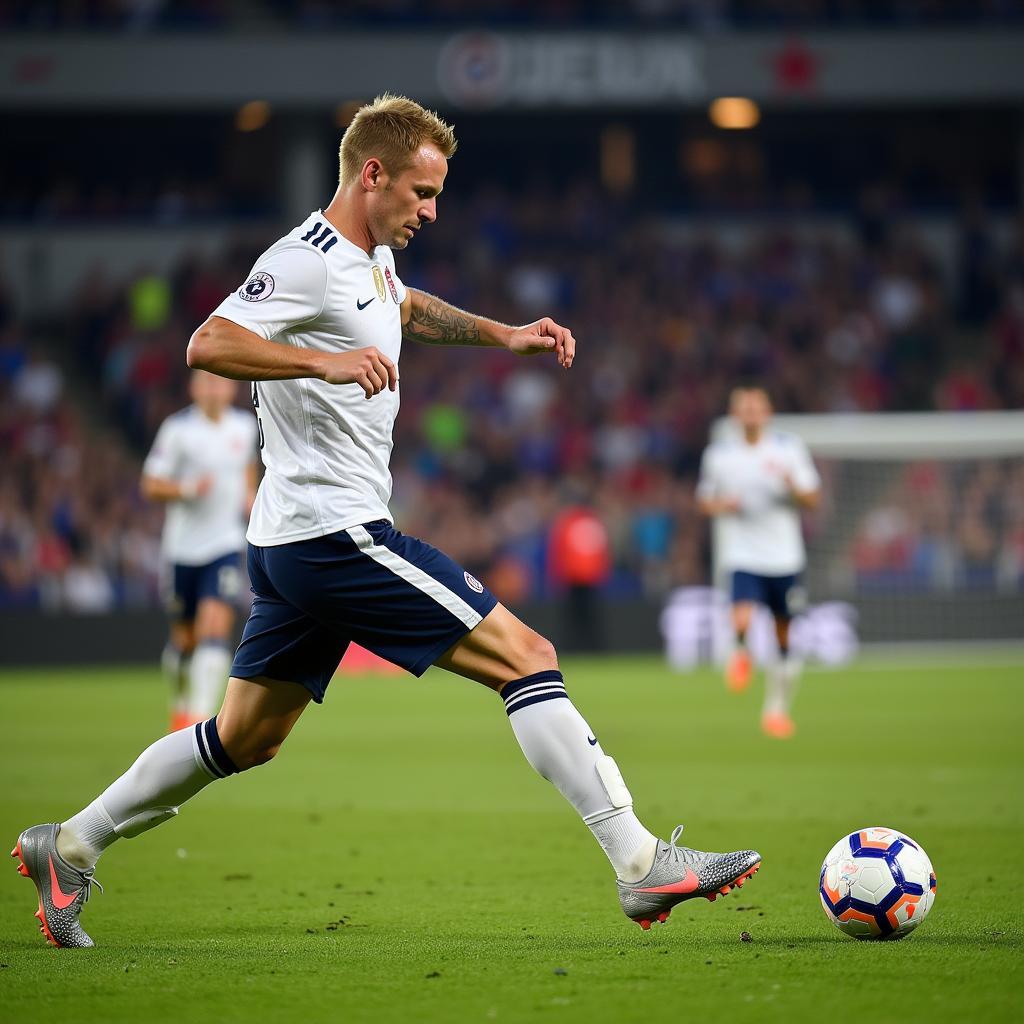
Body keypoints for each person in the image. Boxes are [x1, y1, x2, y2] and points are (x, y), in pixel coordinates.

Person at [12, 95, 759, 949]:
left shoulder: (369, 262)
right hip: (338, 536)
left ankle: (69, 845)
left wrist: (503, 334)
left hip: (292, 540)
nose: (431, 211)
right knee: (529, 657)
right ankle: (637, 863)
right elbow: (207, 343)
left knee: (244, 736)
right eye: (420, 191)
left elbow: (401, 309)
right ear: (372, 175)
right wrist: (321, 361)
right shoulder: (304, 259)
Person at [697, 386, 821, 738]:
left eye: (756, 408)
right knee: (742, 615)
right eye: (744, 408)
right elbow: (704, 501)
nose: (750, 414)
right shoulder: (719, 455)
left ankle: (776, 710)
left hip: (785, 557)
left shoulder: (788, 450)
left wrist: (791, 487)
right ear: (735, 415)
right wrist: (725, 506)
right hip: (743, 553)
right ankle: (739, 653)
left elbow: (813, 499)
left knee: (784, 635)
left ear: (767, 412)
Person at [141, 370, 259, 731]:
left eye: (220, 381)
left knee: (214, 627)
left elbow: (248, 478)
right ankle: (180, 705)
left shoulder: (244, 427)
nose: (214, 388)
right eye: (206, 381)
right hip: (181, 549)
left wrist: (254, 508)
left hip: (224, 544)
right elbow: (151, 484)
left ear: (232, 387)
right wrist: (190, 489)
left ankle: (199, 722)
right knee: (184, 642)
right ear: (193, 387)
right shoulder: (177, 431)